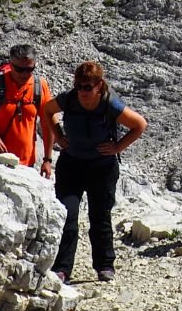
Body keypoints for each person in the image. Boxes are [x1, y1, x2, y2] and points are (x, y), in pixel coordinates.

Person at [44, 60, 148, 284]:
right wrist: (59, 136)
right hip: (71, 164)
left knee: (100, 217)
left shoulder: (109, 104)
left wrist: (118, 147)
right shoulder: (68, 99)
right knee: (68, 215)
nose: (82, 91)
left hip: (102, 168)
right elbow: (47, 110)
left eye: (87, 87)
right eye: (79, 86)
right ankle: (62, 268)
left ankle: (105, 266)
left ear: (99, 85)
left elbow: (139, 124)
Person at [0, 43, 54, 176]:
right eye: (19, 69)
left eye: (29, 70)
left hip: (25, 164)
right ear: (10, 64)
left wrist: (47, 160)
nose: (24, 74)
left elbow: (47, 123)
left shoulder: (40, 86)